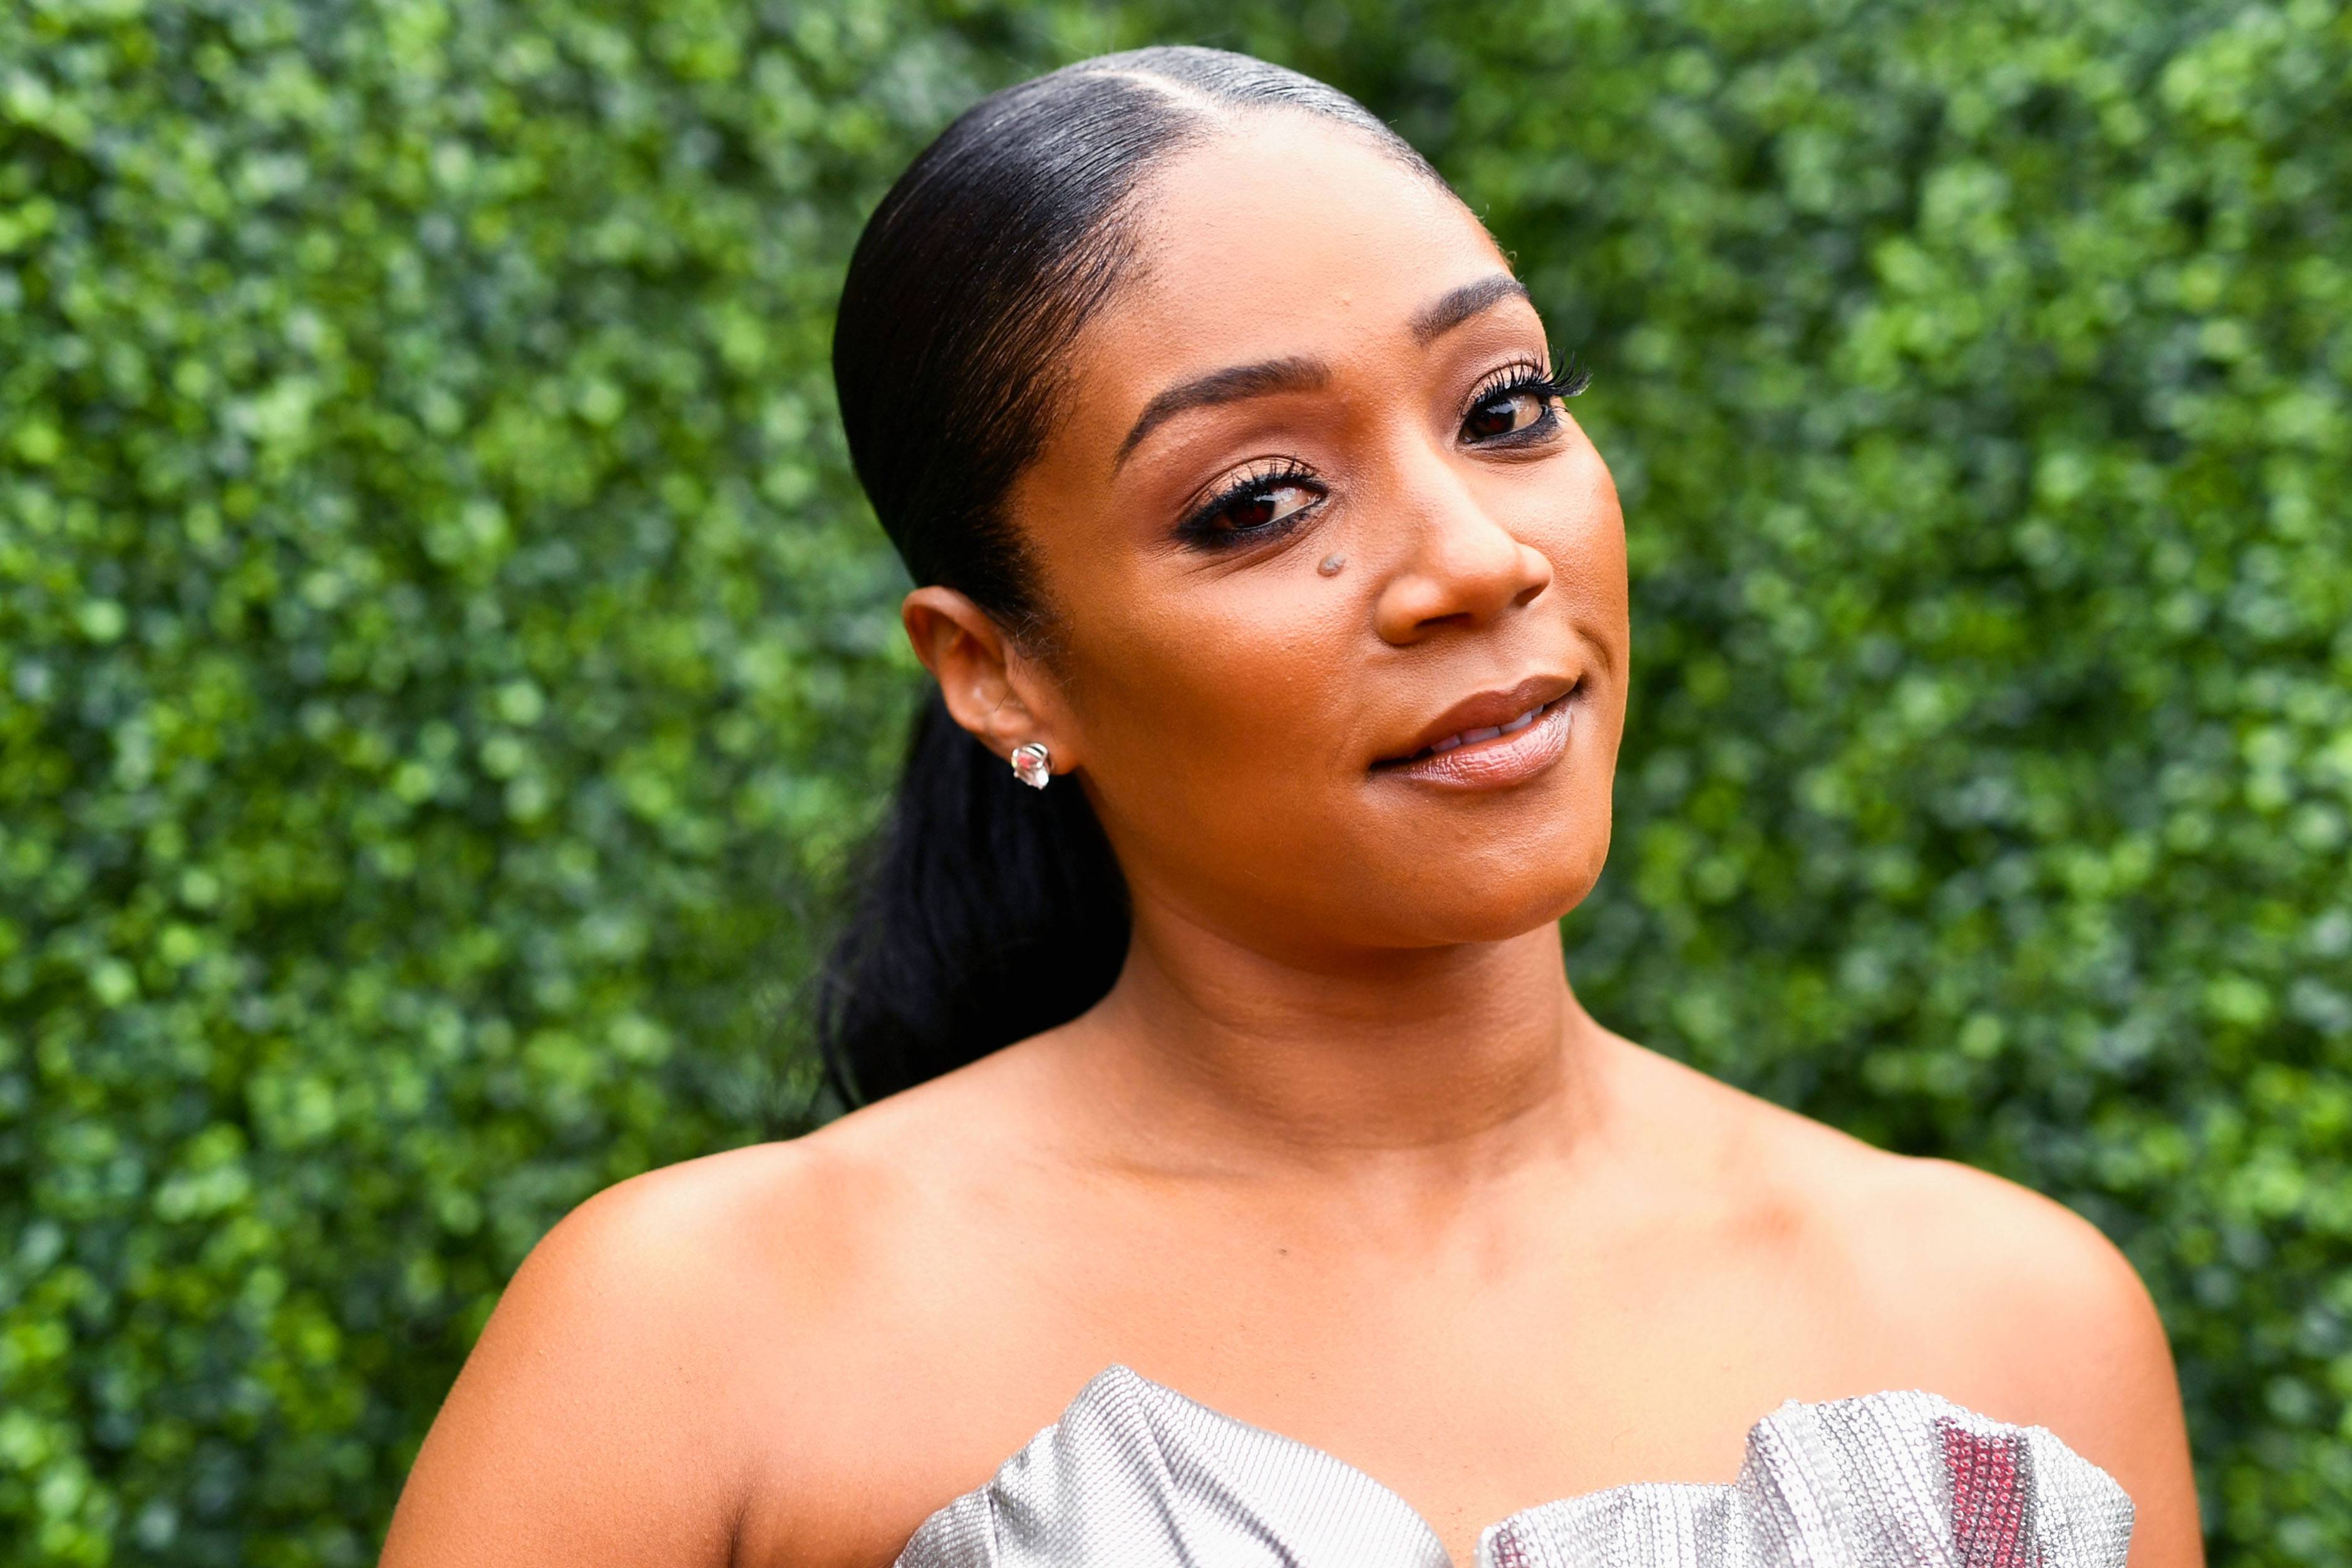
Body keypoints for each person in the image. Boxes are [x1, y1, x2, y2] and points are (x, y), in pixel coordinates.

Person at [380, 46, 2200, 1568]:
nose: (1474, 562)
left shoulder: (2013, 1331)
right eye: (1256, 501)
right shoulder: (699, 1344)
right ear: (997, 667)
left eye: (1504, 407)